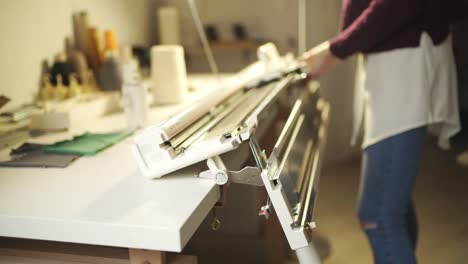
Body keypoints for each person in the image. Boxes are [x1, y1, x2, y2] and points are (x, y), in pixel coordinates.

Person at [300, 0, 467, 263]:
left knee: (377, 215)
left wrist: (334, 50)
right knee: (393, 210)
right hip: (399, 69)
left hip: (404, 71)